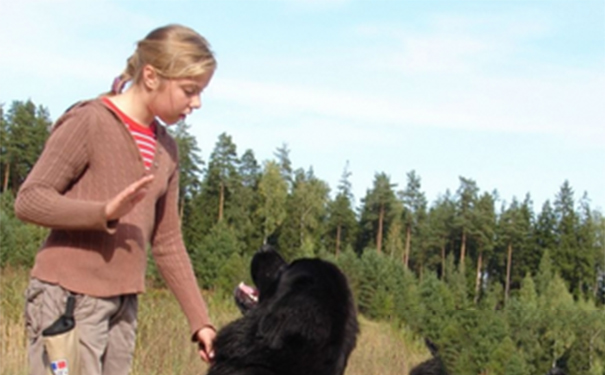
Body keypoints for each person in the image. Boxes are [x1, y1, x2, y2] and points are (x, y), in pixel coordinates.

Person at [15, 24, 217, 375]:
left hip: (123, 306)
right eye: (189, 90)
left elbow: (168, 242)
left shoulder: (167, 149)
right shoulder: (89, 121)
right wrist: (102, 213)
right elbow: (30, 200)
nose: (196, 103)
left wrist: (200, 321)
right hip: (68, 301)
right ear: (151, 76)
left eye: (200, 92)